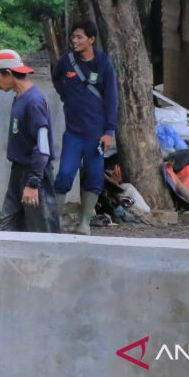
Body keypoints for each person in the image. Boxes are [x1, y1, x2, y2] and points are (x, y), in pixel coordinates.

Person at [51, 19, 118, 235]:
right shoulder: (66, 62)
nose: (75, 41)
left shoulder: (103, 63)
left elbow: (111, 99)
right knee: (64, 175)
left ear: (91, 39)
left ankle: (84, 224)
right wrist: (67, 96)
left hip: (96, 135)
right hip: (73, 133)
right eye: (73, 37)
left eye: (79, 37)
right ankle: (55, 222)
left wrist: (109, 132)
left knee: (95, 176)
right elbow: (56, 80)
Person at [0, 48, 59, 233]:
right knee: (7, 227)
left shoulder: (34, 102)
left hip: (35, 174)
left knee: (41, 232)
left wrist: (33, 183)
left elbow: (42, 146)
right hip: (18, 172)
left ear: (9, 74)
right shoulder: (19, 98)